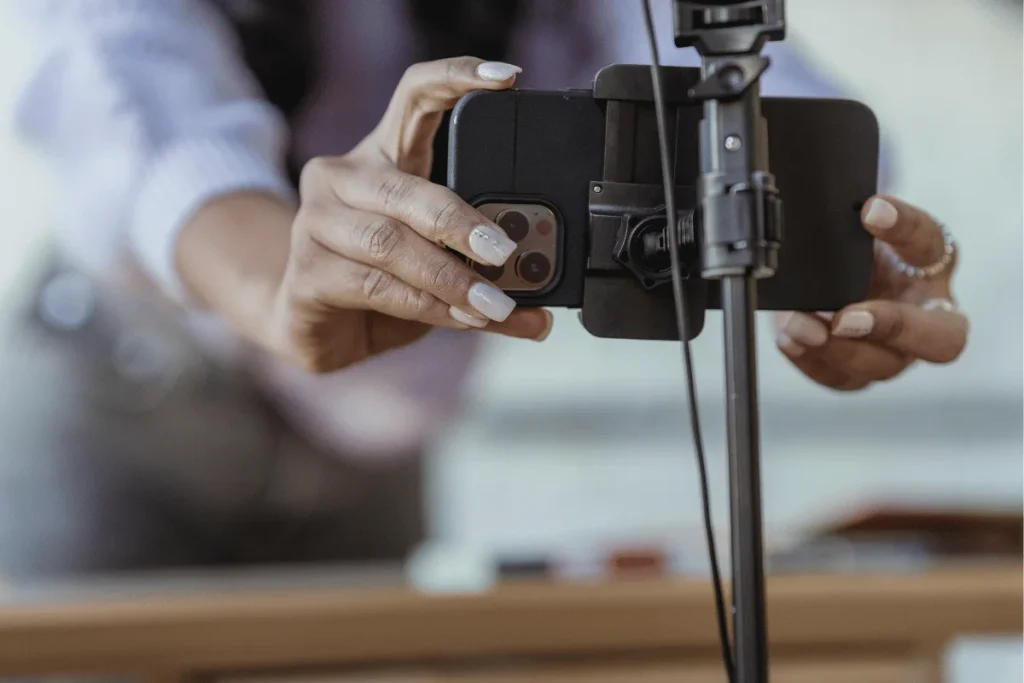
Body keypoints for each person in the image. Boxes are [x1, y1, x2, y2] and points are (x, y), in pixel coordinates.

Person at [1, 0, 968, 578]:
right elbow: (126, 93)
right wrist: (278, 286)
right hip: (122, 428)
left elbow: (726, 72)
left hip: (372, 464)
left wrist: (848, 236)